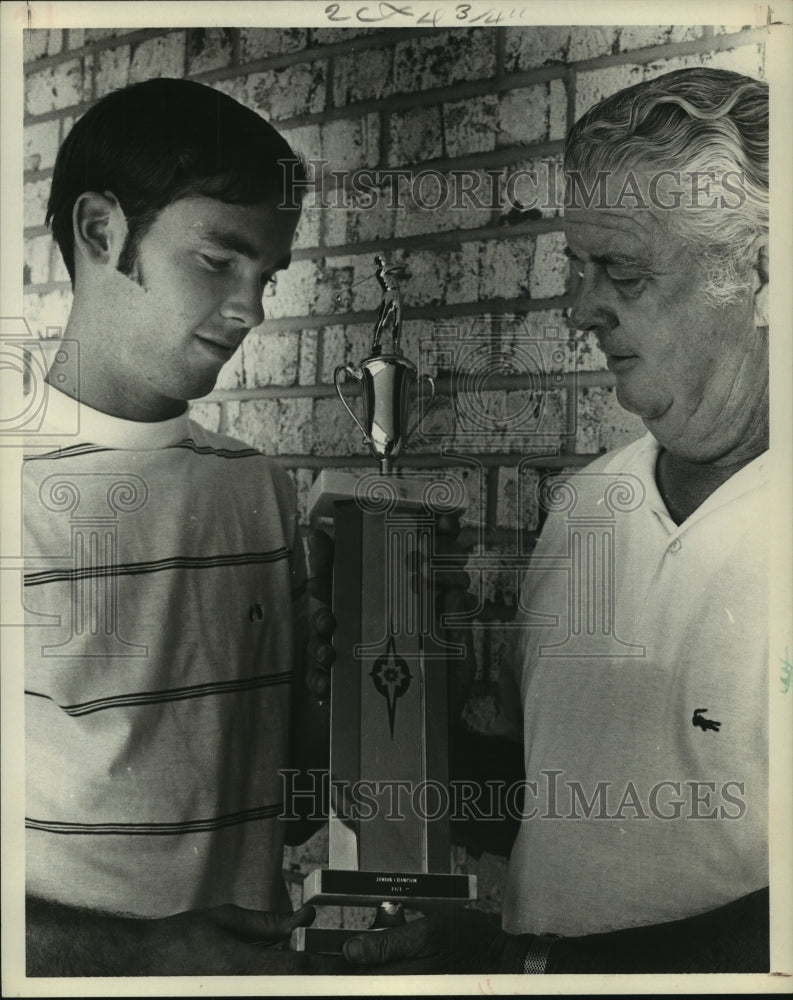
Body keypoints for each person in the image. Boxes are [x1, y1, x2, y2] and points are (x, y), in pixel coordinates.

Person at [341, 67, 771, 975]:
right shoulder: (585, 507)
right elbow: (566, 804)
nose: (579, 309)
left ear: (759, 273)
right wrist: (389, 703)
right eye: (576, 268)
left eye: (620, 270)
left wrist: (532, 969)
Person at [23, 77, 342, 976]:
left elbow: (295, 804)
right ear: (101, 233)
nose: (252, 310)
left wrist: (341, 688)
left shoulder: (259, 491)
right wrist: (144, 954)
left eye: (266, 276)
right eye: (218, 260)